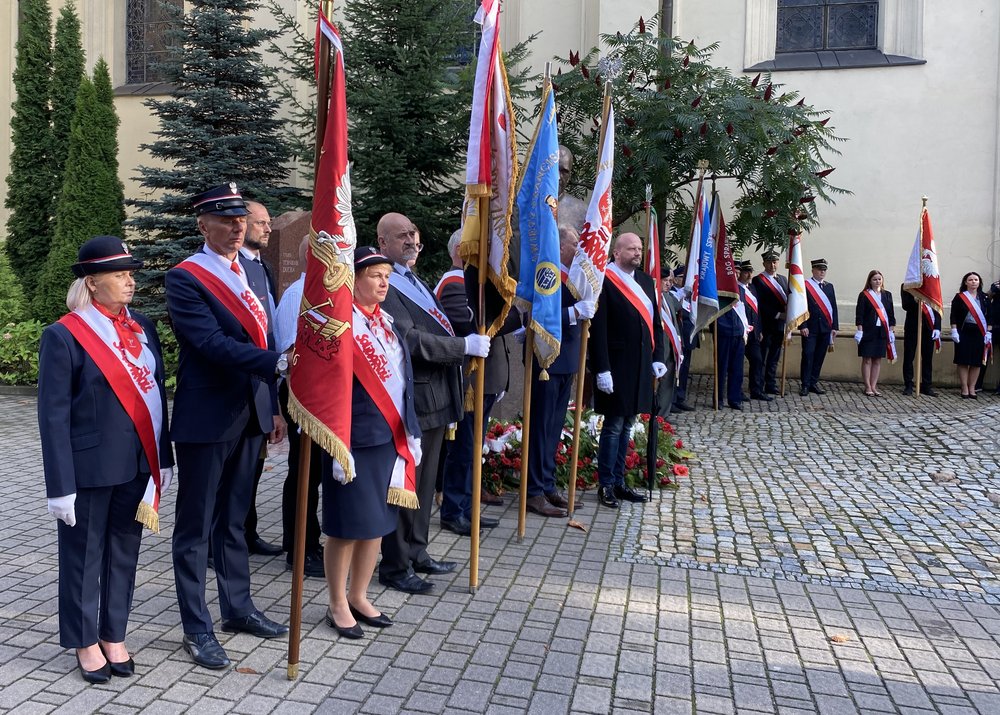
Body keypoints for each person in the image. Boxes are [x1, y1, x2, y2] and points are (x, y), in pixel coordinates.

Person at [38, 236, 173, 683]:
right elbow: (52, 417)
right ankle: (83, 640)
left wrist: (164, 455)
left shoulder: (142, 326)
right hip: (89, 469)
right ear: (93, 283)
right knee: (83, 557)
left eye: (131, 272)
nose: (130, 280)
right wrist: (59, 486)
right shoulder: (64, 335)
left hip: (137, 463)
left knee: (124, 553)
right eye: (120, 274)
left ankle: (114, 633)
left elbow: (156, 396)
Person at [166, 184, 288, 670]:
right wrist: (276, 363)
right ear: (203, 225)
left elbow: (270, 332)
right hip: (208, 417)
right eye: (225, 219)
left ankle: (238, 608)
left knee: (235, 521)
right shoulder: (186, 278)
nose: (237, 226)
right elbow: (210, 344)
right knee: (195, 528)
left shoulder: (253, 271)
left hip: (253, 411)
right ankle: (196, 627)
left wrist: (275, 402)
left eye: (241, 218)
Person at [377, 212, 486, 593]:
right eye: (401, 235)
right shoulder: (386, 283)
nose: (410, 240)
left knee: (426, 485)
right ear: (383, 243)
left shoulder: (413, 279)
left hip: (437, 395)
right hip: (414, 397)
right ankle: (395, 564)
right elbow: (408, 340)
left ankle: (417, 552)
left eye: (414, 233)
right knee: (407, 485)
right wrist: (462, 347)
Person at [323, 247, 421, 638]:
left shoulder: (388, 323)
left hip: (389, 437)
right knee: (347, 526)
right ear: (354, 279)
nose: (383, 282)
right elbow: (327, 386)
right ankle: (335, 602)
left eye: (386, 275)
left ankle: (359, 595)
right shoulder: (340, 325)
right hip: (355, 439)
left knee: (377, 524)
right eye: (375, 275)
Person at [436, 230, 510, 533]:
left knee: (472, 449)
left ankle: (467, 508)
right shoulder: (453, 284)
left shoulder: (475, 285)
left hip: (486, 379)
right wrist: (510, 311)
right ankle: (453, 511)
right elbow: (472, 325)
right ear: (463, 250)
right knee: (463, 450)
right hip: (469, 381)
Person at [590, 233, 665, 509]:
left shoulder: (645, 281)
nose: (638, 252)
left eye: (640, 248)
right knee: (614, 426)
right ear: (617, 252)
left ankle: (620, 482)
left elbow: (655, 323)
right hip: (616, 365)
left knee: (629, 424)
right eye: (632, 249)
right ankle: (606, 483)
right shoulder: (605, 279)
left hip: (640, 365)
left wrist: (658, 357)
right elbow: (599, 329)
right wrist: (602, 368)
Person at [525, 226, 594, 517]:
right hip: (547, 359)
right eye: (574, 243)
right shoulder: (549, 273)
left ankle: (548, 483)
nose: (579, 248)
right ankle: (533, 491)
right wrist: (576, 313)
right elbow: (541, 315)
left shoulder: (574, 276)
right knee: (540, 427)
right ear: (561, 246)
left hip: (566, 359)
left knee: (554, 428)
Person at [273, 237, 325, 578]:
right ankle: (298, 548)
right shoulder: (298, 295)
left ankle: (311, 540)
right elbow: (293, 355)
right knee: (303, 471)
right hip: (301, 395)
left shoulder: (323, 295)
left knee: (316, 472)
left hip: (322, 396)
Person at [239, 200, 285, 557]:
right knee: (231, 474)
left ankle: (247, 530)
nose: (267, 228)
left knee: (253, 468)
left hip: (263, 382)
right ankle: (218, 539)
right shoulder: (231, 268)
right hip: (238, 386)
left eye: (269, 223)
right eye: (261, 222)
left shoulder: (263, 268)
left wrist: (274, 403)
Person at [799, 258, 838, 397]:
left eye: (824, 269)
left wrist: (835, 327)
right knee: (808, 355)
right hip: (810, 328)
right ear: (813, 270)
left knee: (819, 356)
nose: (822, 271)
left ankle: (813, 382)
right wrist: (802, 325)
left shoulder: (829, 286)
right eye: (819, 269)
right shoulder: (805, 285)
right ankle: (804, 384)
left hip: (825, 328)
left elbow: (833, 307)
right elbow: (801, 307)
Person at [854, 270, 896, 397]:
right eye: (875, 279)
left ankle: (874, 385)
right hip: (867, 331)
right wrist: (859, 330)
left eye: (879, 279)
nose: (877, 281)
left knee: (877, 360)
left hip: (882, 332)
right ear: (870, 281)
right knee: (867, 359)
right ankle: (867, 386)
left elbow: (891, 315)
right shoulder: (864, 295)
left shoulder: (887, 295)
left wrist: (891, 330)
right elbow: (859, 314)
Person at [753, 250, 789, 395]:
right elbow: (759, 304)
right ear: (764, 263)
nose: (772, 265)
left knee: (774, 357)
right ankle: (758, 386)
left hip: (780, 327)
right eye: (769, 262)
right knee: (762, 357)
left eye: (775, 262)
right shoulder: (758, 280)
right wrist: (778, 314)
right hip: (766, 325)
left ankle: (771, 384)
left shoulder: (783, 279)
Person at [949, 271, 990, 398]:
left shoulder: (984, 298)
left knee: (976, 362)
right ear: (965, 282)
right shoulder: (960, 297)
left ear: (979, 282)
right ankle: (964, 387)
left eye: (976, 280)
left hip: (980, 332)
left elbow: (990, 315)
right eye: (971, 280)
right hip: (964, 331)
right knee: (963, 360)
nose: (973, 282)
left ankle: (972, 387)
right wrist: (954, 329)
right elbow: (954, 314)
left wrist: (989, 331)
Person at [738, 260, 771, 401]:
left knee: (757, 360)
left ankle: (756, 389)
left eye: (750, 272)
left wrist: (760, 330)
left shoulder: (752, 289)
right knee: (737, 364)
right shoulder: (735, 289)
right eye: (746, 272)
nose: (749, 275)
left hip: (754, 333)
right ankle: (737, 391)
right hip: (740, 333)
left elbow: (758, 312)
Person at [901, 284, 940, 396]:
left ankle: (926, 385)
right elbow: (905, 305)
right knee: (909, 356)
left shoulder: (932, 284)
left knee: (927, 357)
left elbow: (937, 306)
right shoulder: (907, 286)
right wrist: (916, 299)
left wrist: (937, 326)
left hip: (929, 326)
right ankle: (908, 384)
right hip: (912, 326)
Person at [655, 266, 682, 417]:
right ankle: (651, 415)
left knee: (668, 383)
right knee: (656, 383)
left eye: (670, 281)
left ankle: (662, 416)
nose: (668, 284)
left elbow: (679, 305)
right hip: (660, 347)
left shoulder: (668, 297)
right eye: (665, 280)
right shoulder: (652, 297)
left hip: (672, 347)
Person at [714, 287, 746, 410]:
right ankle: (719, 399)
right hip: (723, 332)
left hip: (738, 332)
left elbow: (744, 309)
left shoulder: (740, 290)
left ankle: (735, 399)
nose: (736, 274)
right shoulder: (719, 286)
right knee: (721, 368)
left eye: (738, 272)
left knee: (737, 369)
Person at [670, 265, 697, 412]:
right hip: (678, 338)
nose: (686, 282)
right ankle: (672, 399)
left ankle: (680, 397)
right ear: (675, 279)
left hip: (689, 338)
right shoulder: (674, 293)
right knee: (676, 370)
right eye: (683, 278)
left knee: (684, 370)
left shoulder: (689, 296)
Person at [556, 145, 588, 233]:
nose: (558, 177)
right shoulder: (523, 206)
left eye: (564, 172)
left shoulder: (582, 211)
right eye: (554, 170)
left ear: (569, 176)